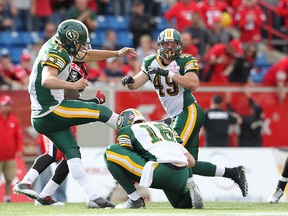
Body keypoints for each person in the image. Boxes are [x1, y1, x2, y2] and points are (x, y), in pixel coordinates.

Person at [12, 19, 136, 208]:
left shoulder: (61, 45)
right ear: (69, 40)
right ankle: (135, 136)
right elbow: (47, 80)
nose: (82, 47)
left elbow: (86, 54)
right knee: (101, 111)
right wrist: (73, 85)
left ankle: (89, 196)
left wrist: (116, 53)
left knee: (72, 153)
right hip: (51, 109)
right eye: (79, 42)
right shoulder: (56, 52)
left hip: (44, 112)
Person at [121, 28, 248, 207]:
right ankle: (234, 173)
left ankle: (189, 187)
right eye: (166, 44)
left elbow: (193, 84)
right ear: (159, 45)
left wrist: (169, 74)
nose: (169, 47)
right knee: (189, 163)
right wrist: (128, 81)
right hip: (176, 116)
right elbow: (136, 83)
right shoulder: (150, 61)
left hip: (189, 111)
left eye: (173, 44)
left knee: (171, 151)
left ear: (180, 46)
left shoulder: (186, 60)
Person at [13, 62, 108, 206]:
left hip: (64, 119)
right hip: (55, 118)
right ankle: (26, 182)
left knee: (67, 161)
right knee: (53, 154)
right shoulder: (65, 67)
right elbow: (68, 98)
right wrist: (95, 101)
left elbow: (70, 100)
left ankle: (45, 196)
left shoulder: (72, 66)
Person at [104, 108, 196, 209]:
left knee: (110, 152)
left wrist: (125, 177)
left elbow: (126, 154)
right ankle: (192, 192)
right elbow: (191, 161)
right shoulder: (164, 126)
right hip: (182, 175)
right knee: (183, 205)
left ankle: (135, 200)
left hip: (160, 172)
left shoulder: (126, 130)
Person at [0, 95, 23, 202]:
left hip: (10, 155)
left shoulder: (14, 120)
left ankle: (7, 197)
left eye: (9, 105)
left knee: (9, 177)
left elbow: (18, 137)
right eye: (5, 105)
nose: (8, 108)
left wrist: (19, 149)